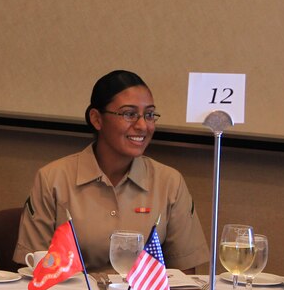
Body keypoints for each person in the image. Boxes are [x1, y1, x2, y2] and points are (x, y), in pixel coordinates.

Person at [15, 69, 209, 273]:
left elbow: (184, 276)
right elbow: (33, 269)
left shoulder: (170, 182)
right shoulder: (52, 179)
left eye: (149, 114)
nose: (143, 125)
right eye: (129, 114)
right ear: (97, 119)